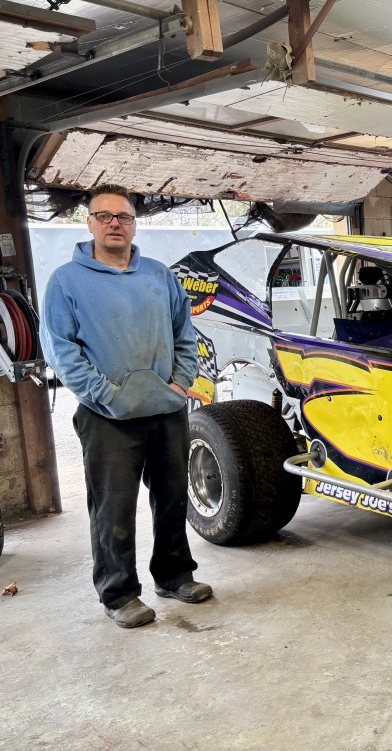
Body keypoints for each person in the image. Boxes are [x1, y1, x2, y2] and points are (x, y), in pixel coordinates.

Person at [40, 184, 212, 628]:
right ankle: (119, 594)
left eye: (123, 216)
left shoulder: (159, 275)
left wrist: (180, 385)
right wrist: (107, 395)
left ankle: (174, 576)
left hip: (167, 410)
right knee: (113, 508)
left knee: (173, 498)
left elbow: (184, 335)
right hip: (107, 418)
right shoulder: (67, 281)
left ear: (135, 224)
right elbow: (62, 350)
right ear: (90, 222)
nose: (114, 223)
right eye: (104, 216)